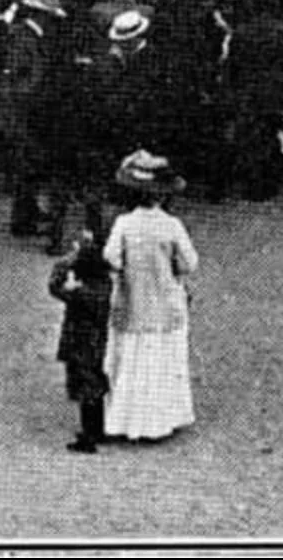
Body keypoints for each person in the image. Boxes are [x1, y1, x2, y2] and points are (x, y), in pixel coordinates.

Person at [101, 150, 199, 442]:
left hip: (132, 301)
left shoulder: (124, 224)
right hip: (165, 302)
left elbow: (111, 257)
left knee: (131, 358)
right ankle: (162, 419)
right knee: (162, 359)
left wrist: (126, 268)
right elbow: (190, 263)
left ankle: (125, 419)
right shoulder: (171, 226)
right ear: (163, 196)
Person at [48, 234, 114, 453]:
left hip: (78, 345)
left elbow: (55, 287)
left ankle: (88, 437)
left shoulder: (81, 294)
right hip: (97, 344)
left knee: (84, 388)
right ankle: (98, 429)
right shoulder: (105, 288)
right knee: (95, 385)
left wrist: (65, 262)